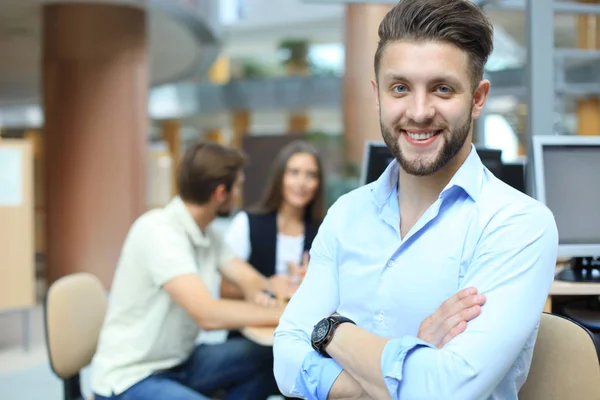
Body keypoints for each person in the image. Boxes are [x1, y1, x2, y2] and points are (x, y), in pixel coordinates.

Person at [273, 1, 559, 399]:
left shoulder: (517, 223)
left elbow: (444, 390)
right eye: (400, 88)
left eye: (442, 88)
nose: (419, 111)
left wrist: (332, 331)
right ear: (378, 95)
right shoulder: (346, 214)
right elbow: (285, 359)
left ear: (478, 98)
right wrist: (412, 355)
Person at [91, 141, 287, 400]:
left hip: (180, 362)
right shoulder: (159, 232)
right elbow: (208, 315)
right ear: (220, 193)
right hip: (131, 377)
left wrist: (261, 292)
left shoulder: (207, 233)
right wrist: (283, 313)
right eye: (238, 186)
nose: (239, 194)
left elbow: (248, 278)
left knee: (268, 359)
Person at [222, 140, 325, 302]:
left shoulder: (324, 231)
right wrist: (268, 286)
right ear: (280, 177)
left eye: (311, 175)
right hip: (253, 324)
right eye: (294, 172)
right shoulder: (247, 223)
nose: (302, 183)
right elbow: (225, 289)